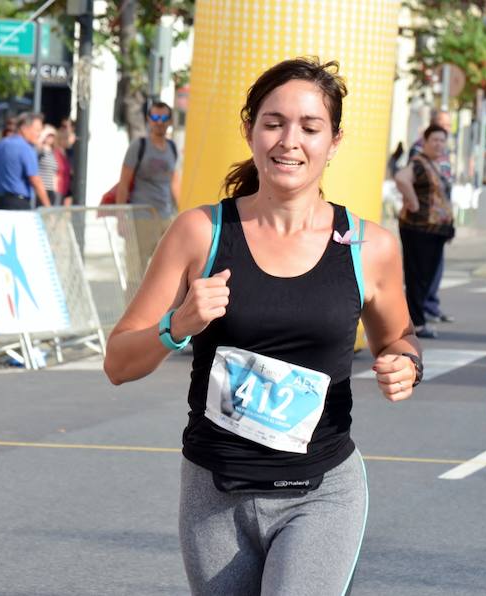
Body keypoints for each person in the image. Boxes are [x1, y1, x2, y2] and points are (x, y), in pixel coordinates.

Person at [104, 58, 422, 596]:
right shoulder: (200, 232)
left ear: (334, 140)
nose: (288, 141)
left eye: (309, 126)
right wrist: (177, 324)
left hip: (320, 490)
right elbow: (118, 363)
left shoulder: (370, 246)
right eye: (273, 122)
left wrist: (406, 364)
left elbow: (399, 338)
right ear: (249, 129)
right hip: (215, 490)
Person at [394, 123, 455, 339]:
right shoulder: (419, 163)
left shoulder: (435, 164)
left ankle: (416, 320)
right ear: (425, 142)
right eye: (434, 140)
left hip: (434, 231)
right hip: (419, 229)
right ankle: (416, 323)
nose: (439, 144)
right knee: (417, 278)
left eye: (442, 140)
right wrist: (413, 202)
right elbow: (401, 178)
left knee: (426, 278)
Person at [115, 101, 181, 279]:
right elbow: (123, 183)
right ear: (148, 119)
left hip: (165, 216)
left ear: (170, 121)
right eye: (155, 117)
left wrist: (182, 213)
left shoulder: (172, 148)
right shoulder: (139, 145)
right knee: (136, 271)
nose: (159, 121)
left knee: (166, 269)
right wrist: (121, 219)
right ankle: (131, 306)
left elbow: (174, 182)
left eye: (163, 117)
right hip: (141, 217)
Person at [0, 112, 51, 210]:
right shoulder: (27, 148)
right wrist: (48, 207)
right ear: (24, 128)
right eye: (37, 130)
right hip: (17, 204)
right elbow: (35, 179)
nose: (39, 134)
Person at [37, 125, 65, 206]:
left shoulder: (53, 153)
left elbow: (54, 173)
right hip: (41, 189)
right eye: (49, 136)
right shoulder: (40, 150)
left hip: (51, 190)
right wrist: (44, 133)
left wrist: (55, 191)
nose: (50, 138)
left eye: (52, 136)